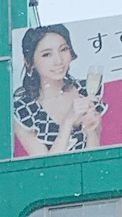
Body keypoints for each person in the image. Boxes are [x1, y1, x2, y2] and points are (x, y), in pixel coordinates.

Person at [13, 23, 104, 156]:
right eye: (47, 55)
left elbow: (94, 157)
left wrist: (92, 132)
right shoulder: (24, 111)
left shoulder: (87, 89)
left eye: (63, 49)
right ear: (30, 62)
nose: (58, 61)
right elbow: (47, 167)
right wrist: (67, 123)